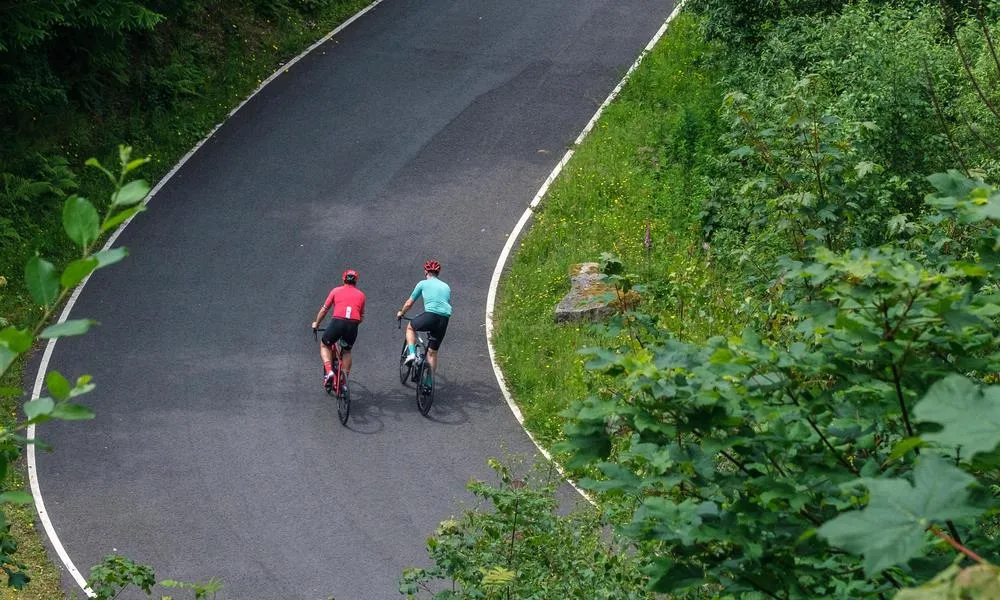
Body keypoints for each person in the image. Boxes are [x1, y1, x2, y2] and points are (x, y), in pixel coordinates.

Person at [311, 269, 366, 389]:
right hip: (353, 325)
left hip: (337, 323)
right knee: (346, 351)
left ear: (343, 279)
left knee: (325, 345)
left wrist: (317, 323)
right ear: (356, 281)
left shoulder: (335, 291)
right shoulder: (361, 295)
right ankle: (344, 381)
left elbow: (324, 309)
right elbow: (361, 317)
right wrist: (351, 326)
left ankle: (329, 370)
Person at [396, 259, 451, 375]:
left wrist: (401, 312)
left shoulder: (422, 283)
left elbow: (409, 303)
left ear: (426, 271)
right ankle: (428, 382)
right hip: (444, 319)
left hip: (431, 315)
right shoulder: (446, 286)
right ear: (438, 273)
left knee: (410, 328)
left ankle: (411, 354)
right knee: (432, 352)